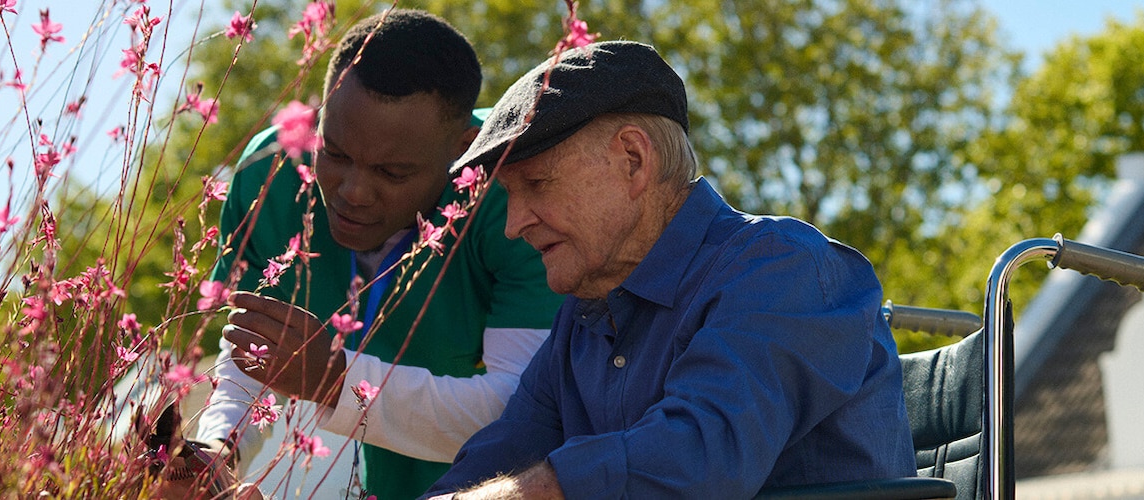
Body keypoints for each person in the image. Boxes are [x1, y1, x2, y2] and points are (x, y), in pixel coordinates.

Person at [421, 41, 916, 499]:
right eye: (509, 194)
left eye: (536, 183)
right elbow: (494, 458)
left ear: (634, 160)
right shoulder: (582, 319)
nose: (512, 225)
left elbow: (699, 459)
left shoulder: (783, 269)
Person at [191, 11, 564, 500]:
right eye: (336, 153)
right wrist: (219, 451)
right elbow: (257, 352)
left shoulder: (518, 198)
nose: (353, 192)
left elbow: (522, 410)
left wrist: (333, 381)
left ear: (464, 149)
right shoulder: (270, 176)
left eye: (392, 172)